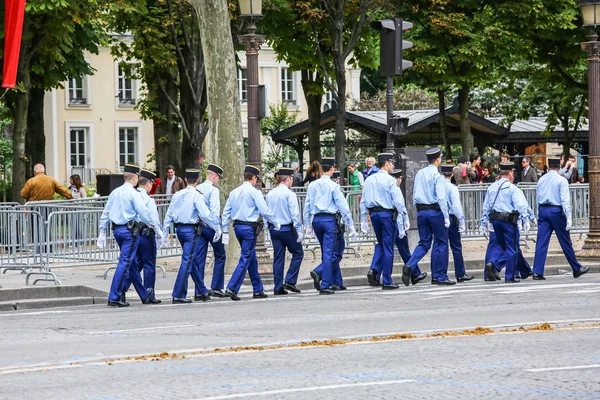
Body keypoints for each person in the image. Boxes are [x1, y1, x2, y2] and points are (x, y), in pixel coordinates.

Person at [97, 164, 163, 307]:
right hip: (129, 232)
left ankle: (144, 294)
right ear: (134, 178)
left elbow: (106, 213)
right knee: (125, 263)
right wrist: (153, 226)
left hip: (117, 231)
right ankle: (114, 296)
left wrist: (102, 232)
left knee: (132, 265)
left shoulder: (115, 192)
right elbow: (143, 212)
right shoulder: (133, 193)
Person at [162, 168, 222, 304]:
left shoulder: (178, 194)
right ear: (198, 180)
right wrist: (217, 227)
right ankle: (178, 294)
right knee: (187, 262)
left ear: (185, 179)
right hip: (190, 230)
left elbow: (169, 214)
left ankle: (202, 290)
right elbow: (205, 215)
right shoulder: (197, 195)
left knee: (192, 261)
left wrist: (165, 232)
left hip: (179, 230)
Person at [221, 165, 280, 301]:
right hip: (249, 228)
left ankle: (258, 289)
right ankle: (232, 287)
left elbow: (226, 212)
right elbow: (264, 210)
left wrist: (224, 229)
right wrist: (275, 222)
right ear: (253, 178)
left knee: (251, 257)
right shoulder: (254, 192)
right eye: (256, 179)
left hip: (237, 227)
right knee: (246, 257)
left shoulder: (234, 192)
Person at [304, 157, 357, 295]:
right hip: (329, 220)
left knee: (326, 251)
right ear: (332, 169)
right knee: (330, 253)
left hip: (317, 220)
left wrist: (307, 226)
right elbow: (343, 205)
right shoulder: (333, 185)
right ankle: (324, 281)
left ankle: (336, 281)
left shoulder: (313, 185)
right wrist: (350, 223)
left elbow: (307, 206)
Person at [402, 148, 453, 286]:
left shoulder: (420, 173)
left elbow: (414, 192)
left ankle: (410, 265)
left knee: (424, 243)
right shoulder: (438, 176)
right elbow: (441, 198)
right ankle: (439, 276)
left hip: (421, 211)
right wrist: (446, 216)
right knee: (441, 242)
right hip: (435, 212)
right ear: (438, 159)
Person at [532, 158, 589, 280]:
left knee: (541, 242)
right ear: (559, 166)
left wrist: (538, 212)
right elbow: (565, 200)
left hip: (543, 209)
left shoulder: (541, 179)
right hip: (555, 211)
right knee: (565, 241)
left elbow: (537, 197)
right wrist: (568, 217)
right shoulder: (561, 180)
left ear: (548, 166)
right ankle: (576, 268)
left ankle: (537, 271)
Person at [361, 154, 411, 290]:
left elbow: (363, 201)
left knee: (382, 245)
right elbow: (398, 202)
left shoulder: (369, 180)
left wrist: (363, 219)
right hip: (386, 214)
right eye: (392, 163)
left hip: (374, 214)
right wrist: (405, 217)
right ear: (387, 163)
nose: (393, 166)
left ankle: (377, 274)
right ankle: (387, 280)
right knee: (388, 247)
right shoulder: (390, 180)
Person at [480, 161, 530, 283]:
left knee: (501, 245)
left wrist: (482, 223)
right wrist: (525, 219)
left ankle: (493, 263)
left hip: (495, 221)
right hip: (508, 221)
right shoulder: (513, 189)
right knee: (511, 248)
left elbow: (486, 207)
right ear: (510, 173)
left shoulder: (492, 187)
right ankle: (510, 276)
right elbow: (521, 205)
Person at [124, 169, 162, 304]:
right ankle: (149, 294)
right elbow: (153, 219)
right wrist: (160, 233)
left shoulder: (132, 195)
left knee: (136, 264)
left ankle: (122, 289)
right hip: (146, 234)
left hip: (134, 233)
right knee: (149, 265)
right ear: (148, 185)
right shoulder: (148, 199)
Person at [265, 167, 304, 295]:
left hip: (274, 229)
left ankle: (278, 287)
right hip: (287, 228)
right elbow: (295, 214)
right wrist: (299, 230)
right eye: (292, 179)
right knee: (298, 253)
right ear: (288, 179)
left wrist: (267, 226)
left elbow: (266, 212)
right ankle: (290, 280)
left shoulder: (270, 193)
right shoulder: (289, 194)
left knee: (278, 258)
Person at [387, 169, 425, 284]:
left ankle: (415, 273)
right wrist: (406, 219)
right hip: (397, 223)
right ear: (399, 178)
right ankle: (414, 272)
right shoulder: (395, 188)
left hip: (392, 222)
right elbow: (400, 206)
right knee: (403, 250)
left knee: (388, 248)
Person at [195, 164, 227, 298]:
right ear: (214, 176)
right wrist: (218, 228)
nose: (217, 180)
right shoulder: (213, 191)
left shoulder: (197, 188)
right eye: (218, 178)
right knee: (220, 255)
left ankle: (199, 290)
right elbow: (214, 212)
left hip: (199, 226)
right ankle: (216, 287)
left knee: (199, 258)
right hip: (211, 227)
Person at [440, 164, 473, 282]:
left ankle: (439, 274)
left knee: (440, 246)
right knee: (456, 246)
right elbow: (456, 206)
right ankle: (460, 273)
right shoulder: (452, 188)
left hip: (439, 217)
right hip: (451, 217)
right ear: (452, 174)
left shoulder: (437, 187)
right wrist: (462, 220)